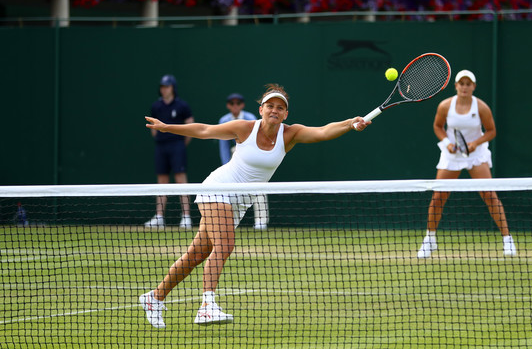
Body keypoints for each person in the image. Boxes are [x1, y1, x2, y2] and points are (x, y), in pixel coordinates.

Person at [139, 84, 369, 328]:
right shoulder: (244, 128)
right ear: (261, 109)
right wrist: (167, 127)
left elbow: (323, 131)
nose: (275, 110)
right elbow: (206, 129)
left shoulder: (290, 134)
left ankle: (154, 297)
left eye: (280, 108)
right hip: (218, 188)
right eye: (270, 106)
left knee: (196, 254)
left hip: (240, 203)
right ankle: (207, 306)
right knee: (225, 245)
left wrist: (350, 124)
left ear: (285, 114)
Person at [417, 70, 517, 259]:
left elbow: (491, 131)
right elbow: (438, 127)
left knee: (489, 195)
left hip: (476, 154)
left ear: (473, 86)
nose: (464, 87)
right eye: (461, 83)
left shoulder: (481, 107)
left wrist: (475, 144)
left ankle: (507, 240)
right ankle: (429, 240)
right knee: (438, 197)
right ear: (456, 86)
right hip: (452, 154)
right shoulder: (445, 106)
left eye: (468, 83)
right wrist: (448, 143)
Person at [144, 74, 195, 229]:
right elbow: (153, 129)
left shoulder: (182, 106)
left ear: (173, 88)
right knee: (162, 181)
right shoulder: (156, 106)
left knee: (181, 179)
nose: (164, 89)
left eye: (167, 86)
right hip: (161, 147)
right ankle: (159, 217)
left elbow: (190, 126)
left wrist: (179, 143)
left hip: (177, 146)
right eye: (162, 87)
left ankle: (186, 217)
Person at [219, 93, 269, 230]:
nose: (235, 106)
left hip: (252, 157)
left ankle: (261, 221)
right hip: (234, 157)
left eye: (238, 103)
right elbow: (223, 145)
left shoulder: (250, 118)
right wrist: (226, 165)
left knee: (258, 189)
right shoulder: (224, 120)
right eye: (232, 103)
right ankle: (230, 222)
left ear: (242, 105)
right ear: (228, 105)